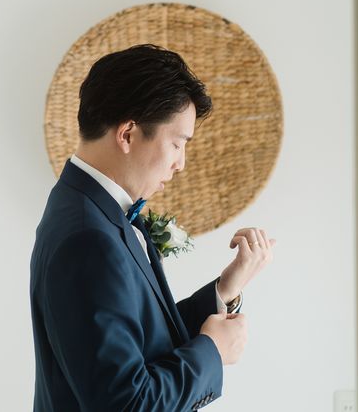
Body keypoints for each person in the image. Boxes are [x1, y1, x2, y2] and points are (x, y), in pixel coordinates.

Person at [30, 43, 275, 411]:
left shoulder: (90, 207)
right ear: (128, 134)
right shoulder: (88, 238)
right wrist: (212, 351)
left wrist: (225, 289)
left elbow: (143, 338)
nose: (181, 164)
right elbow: (127, 403)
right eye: (177, 144)